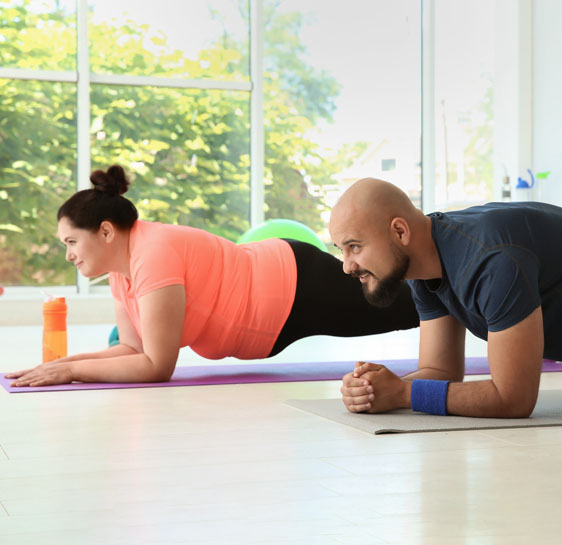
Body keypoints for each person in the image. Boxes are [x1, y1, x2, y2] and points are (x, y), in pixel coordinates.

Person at [6, 166, 419, 387]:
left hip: (294, 287)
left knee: (407, 306)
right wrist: (65, 363)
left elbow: (155, 366)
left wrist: (73, 371)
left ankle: (456, 280)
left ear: (107, 232)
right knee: (410, 305)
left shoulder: (153, 253)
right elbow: (133, 349)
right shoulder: (120, 272)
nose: (68, 255)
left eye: (71, 242)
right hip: (276, 310)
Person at [331, 177, 562, 419]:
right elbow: (440, 370)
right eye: (341, 249)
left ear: (400, 231)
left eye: (354, 246)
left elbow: (513, 400)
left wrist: (402, 393)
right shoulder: (427, 262)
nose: (347, 267)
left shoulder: (492, 260)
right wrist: (375, 389)